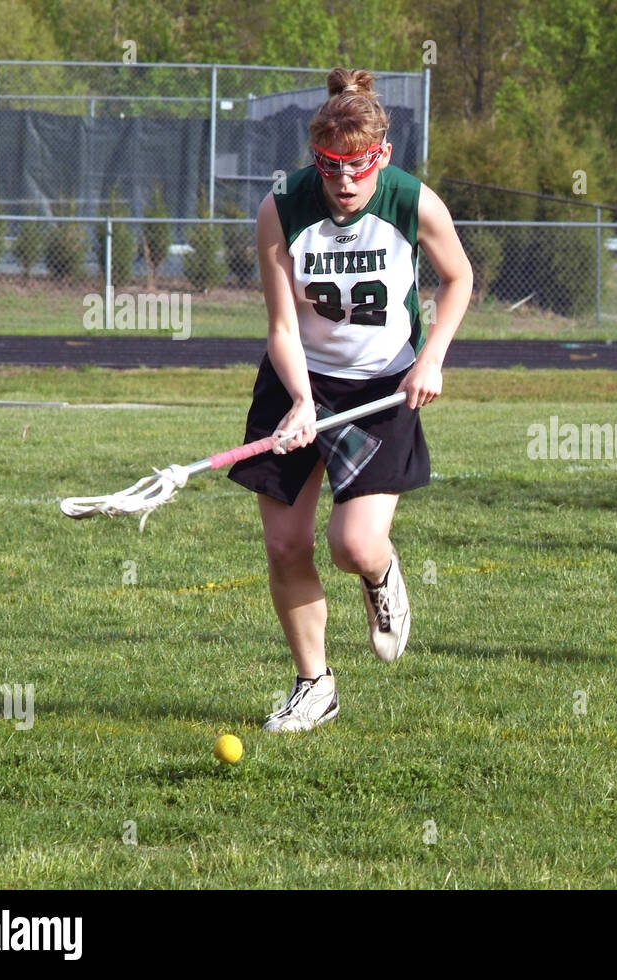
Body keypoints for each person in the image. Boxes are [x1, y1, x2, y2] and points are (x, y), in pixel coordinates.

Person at [228, 67, 473, 731]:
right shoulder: (281, 210)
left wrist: (432, 358)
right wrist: (301, 401)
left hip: (382, 386)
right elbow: (281, 326)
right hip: (299, 377)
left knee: (354, 545)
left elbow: (458, 277)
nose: (343, 183)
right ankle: (315, 685)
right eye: (330, 167)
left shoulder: (410, 200)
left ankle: (380, 576)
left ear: (382, 157)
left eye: (357, 168)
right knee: (285, 544)